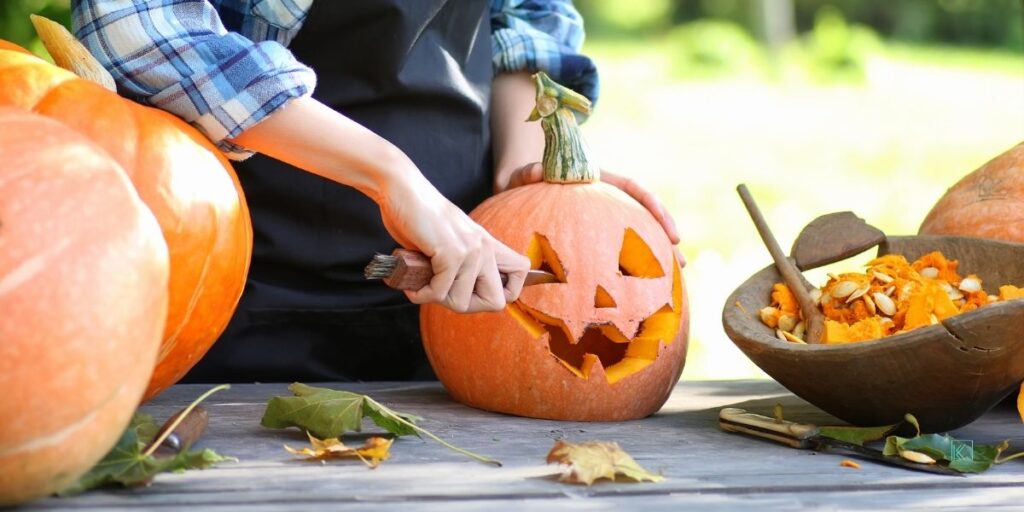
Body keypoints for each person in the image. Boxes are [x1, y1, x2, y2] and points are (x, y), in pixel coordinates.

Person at [72, 0, 680, 382]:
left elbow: (527, 18)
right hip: (240, 313)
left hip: (456, 309)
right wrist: (392, 175)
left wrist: (521, 188)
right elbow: (136, 27)